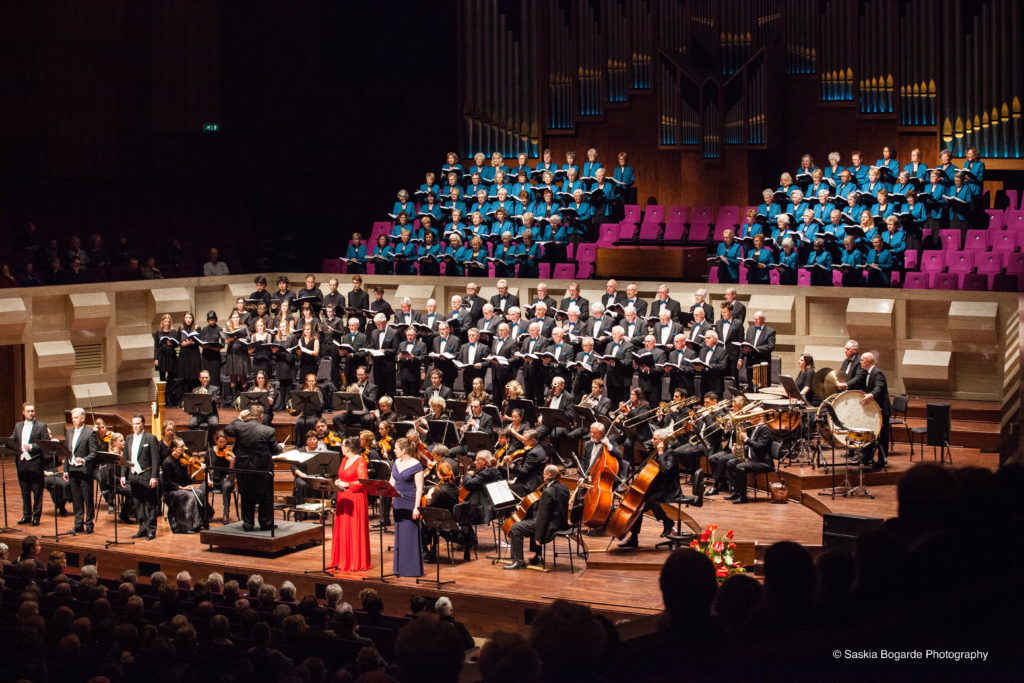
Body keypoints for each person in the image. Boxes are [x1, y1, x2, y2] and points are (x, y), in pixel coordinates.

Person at [618, 427, 685, 548]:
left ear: (662, 441)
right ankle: (634, 538)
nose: (652, 440)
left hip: (670, 490)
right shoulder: (654, 453)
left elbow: (665, 471)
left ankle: (667, 521)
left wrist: (660, 453)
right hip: (658, 489)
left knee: (649, 500)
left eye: (655, 439)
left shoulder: (671, 454)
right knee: (638, 507)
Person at [224, 405, 282, 531]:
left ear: (248, 416)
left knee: (246, 496)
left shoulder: (240, 427)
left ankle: (248, 524)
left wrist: (239, 418)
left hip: (244, 469)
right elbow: (275, 451)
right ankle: (265, 523)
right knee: (265, 497)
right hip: (263, 470)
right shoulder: (268, 430)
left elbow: (227, 429)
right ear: (261, 417)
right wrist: (281, 446)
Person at [504, 465, 569, 570]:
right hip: (561, 523)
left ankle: (519, 561)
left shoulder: (547, 492)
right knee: (532, 519)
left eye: (544, 474)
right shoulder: (564, 488)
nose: (543, 476)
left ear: (548, 475)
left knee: (516, 528)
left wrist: (538, 537)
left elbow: (543, 517)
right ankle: (537, 556)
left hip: (550, 526)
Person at [836, 352, 891, 470]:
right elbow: (857, 382)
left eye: (862, 360)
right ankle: (866, 457)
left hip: (883, 409)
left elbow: (878, 387)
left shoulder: (877, 373)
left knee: (883, 436)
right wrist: (846, 386)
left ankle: (882, 461)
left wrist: (871, 395)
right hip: (875, 408)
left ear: (869, 362)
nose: (860, 362)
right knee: (870, 432)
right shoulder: (866, 373)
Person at [331, 437, 371, 572]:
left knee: (353, 529)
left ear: (348, 448)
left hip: (355, 499)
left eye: (342, 445)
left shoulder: (360, 461)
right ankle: (342, 560)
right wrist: (338, 481)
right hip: (343, 497)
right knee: (343, 529)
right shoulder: (344, 460)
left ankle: (354, 561)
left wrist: (347, 484)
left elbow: (363, 482)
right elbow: (342, 476)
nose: (340, 447)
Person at [120, 414, 160, 540]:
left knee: (150, 504)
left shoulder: (150, 438)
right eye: (134, 424)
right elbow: (125, 458)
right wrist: (122, 475)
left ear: (143, 424)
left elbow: (155, 459)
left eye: (137, 424)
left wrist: (154, 477)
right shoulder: (129, 438)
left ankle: (151, 530)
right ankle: (142, 529)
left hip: (146, 475)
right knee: (138, 503)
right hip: (133, 475)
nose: (135, 426)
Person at [389, 438, 424, 577]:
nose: (394, 450)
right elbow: (392, 482)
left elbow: (419, 487)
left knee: (409, 536)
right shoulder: (396, 463)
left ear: (403, 450)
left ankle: (411, 569)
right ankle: (399, 568)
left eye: (396, 448)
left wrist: (417, 507)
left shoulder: (417, 465)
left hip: (410, 503)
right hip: (398, 503)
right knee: (399, 536)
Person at [11, 402, 49, 526]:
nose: (31, 413)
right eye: (28, 411)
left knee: (37, 492)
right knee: (25, 491)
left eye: (32, 411)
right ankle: (26, 515)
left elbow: (46, 443)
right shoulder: (18, 426)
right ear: (23, 412)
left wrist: (32, 446)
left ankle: (36, 517)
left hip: (35, 463)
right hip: (22, 463)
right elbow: (13, 439)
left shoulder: (41, 426)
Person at [63, 407, 98, 534]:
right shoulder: (69, 432)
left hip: (84, 471)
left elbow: (94, 453)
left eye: (76, 418)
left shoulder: (90, 433)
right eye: (72, 418)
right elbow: (67, 452)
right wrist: (66, 470)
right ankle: (78, 524)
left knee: (87, 498)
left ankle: (89, 524)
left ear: (83, 418)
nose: (74, 420)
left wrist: (83, 460)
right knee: (76, 499)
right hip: (72, 470)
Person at [160, 438, 204, 534]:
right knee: (190, 496)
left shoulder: (182, 461)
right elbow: (168, 482)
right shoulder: (167, 462)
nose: (184, 448)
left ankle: (200, 522)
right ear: (173, 449)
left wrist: (199, 470)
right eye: (181, 447)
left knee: (200, 493)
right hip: (171, 491)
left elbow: (187, 478)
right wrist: (182, 488)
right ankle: (187, 526)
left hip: (183, 488)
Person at [738, 311, 776, 389]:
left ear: (763, 319)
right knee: (751, 385)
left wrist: (755, 349)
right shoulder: (750, 329)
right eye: (754, 319)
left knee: (762, 387)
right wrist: (741, 357)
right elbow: (746, 343)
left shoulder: (770, 331)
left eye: (757, 319)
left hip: (762, 363)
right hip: (750, 362)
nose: (755, 321)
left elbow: (770, 346)